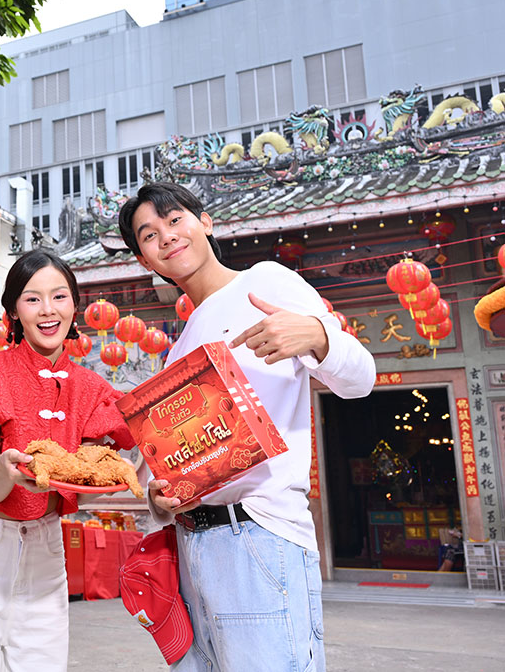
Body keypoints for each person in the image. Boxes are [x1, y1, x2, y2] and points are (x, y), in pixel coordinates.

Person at [118, 182, 376, 671]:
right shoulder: (179, 347)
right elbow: (167, 465)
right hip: (193, 548)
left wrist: (320, 336)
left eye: (175, 220)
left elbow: (360, 378)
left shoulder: (267, 282)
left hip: (258, 534)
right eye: (149, 235)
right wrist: (157, 500)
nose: (167, 237)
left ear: (206, 222)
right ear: (144, 260)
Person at [0, 249, 134, 672]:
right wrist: (7, 470)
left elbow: (92, 478)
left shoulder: (92, 388)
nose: (47, 310)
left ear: (75, 305)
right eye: (32, 298)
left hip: (44, 544)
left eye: (59, 297)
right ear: (14, 311)